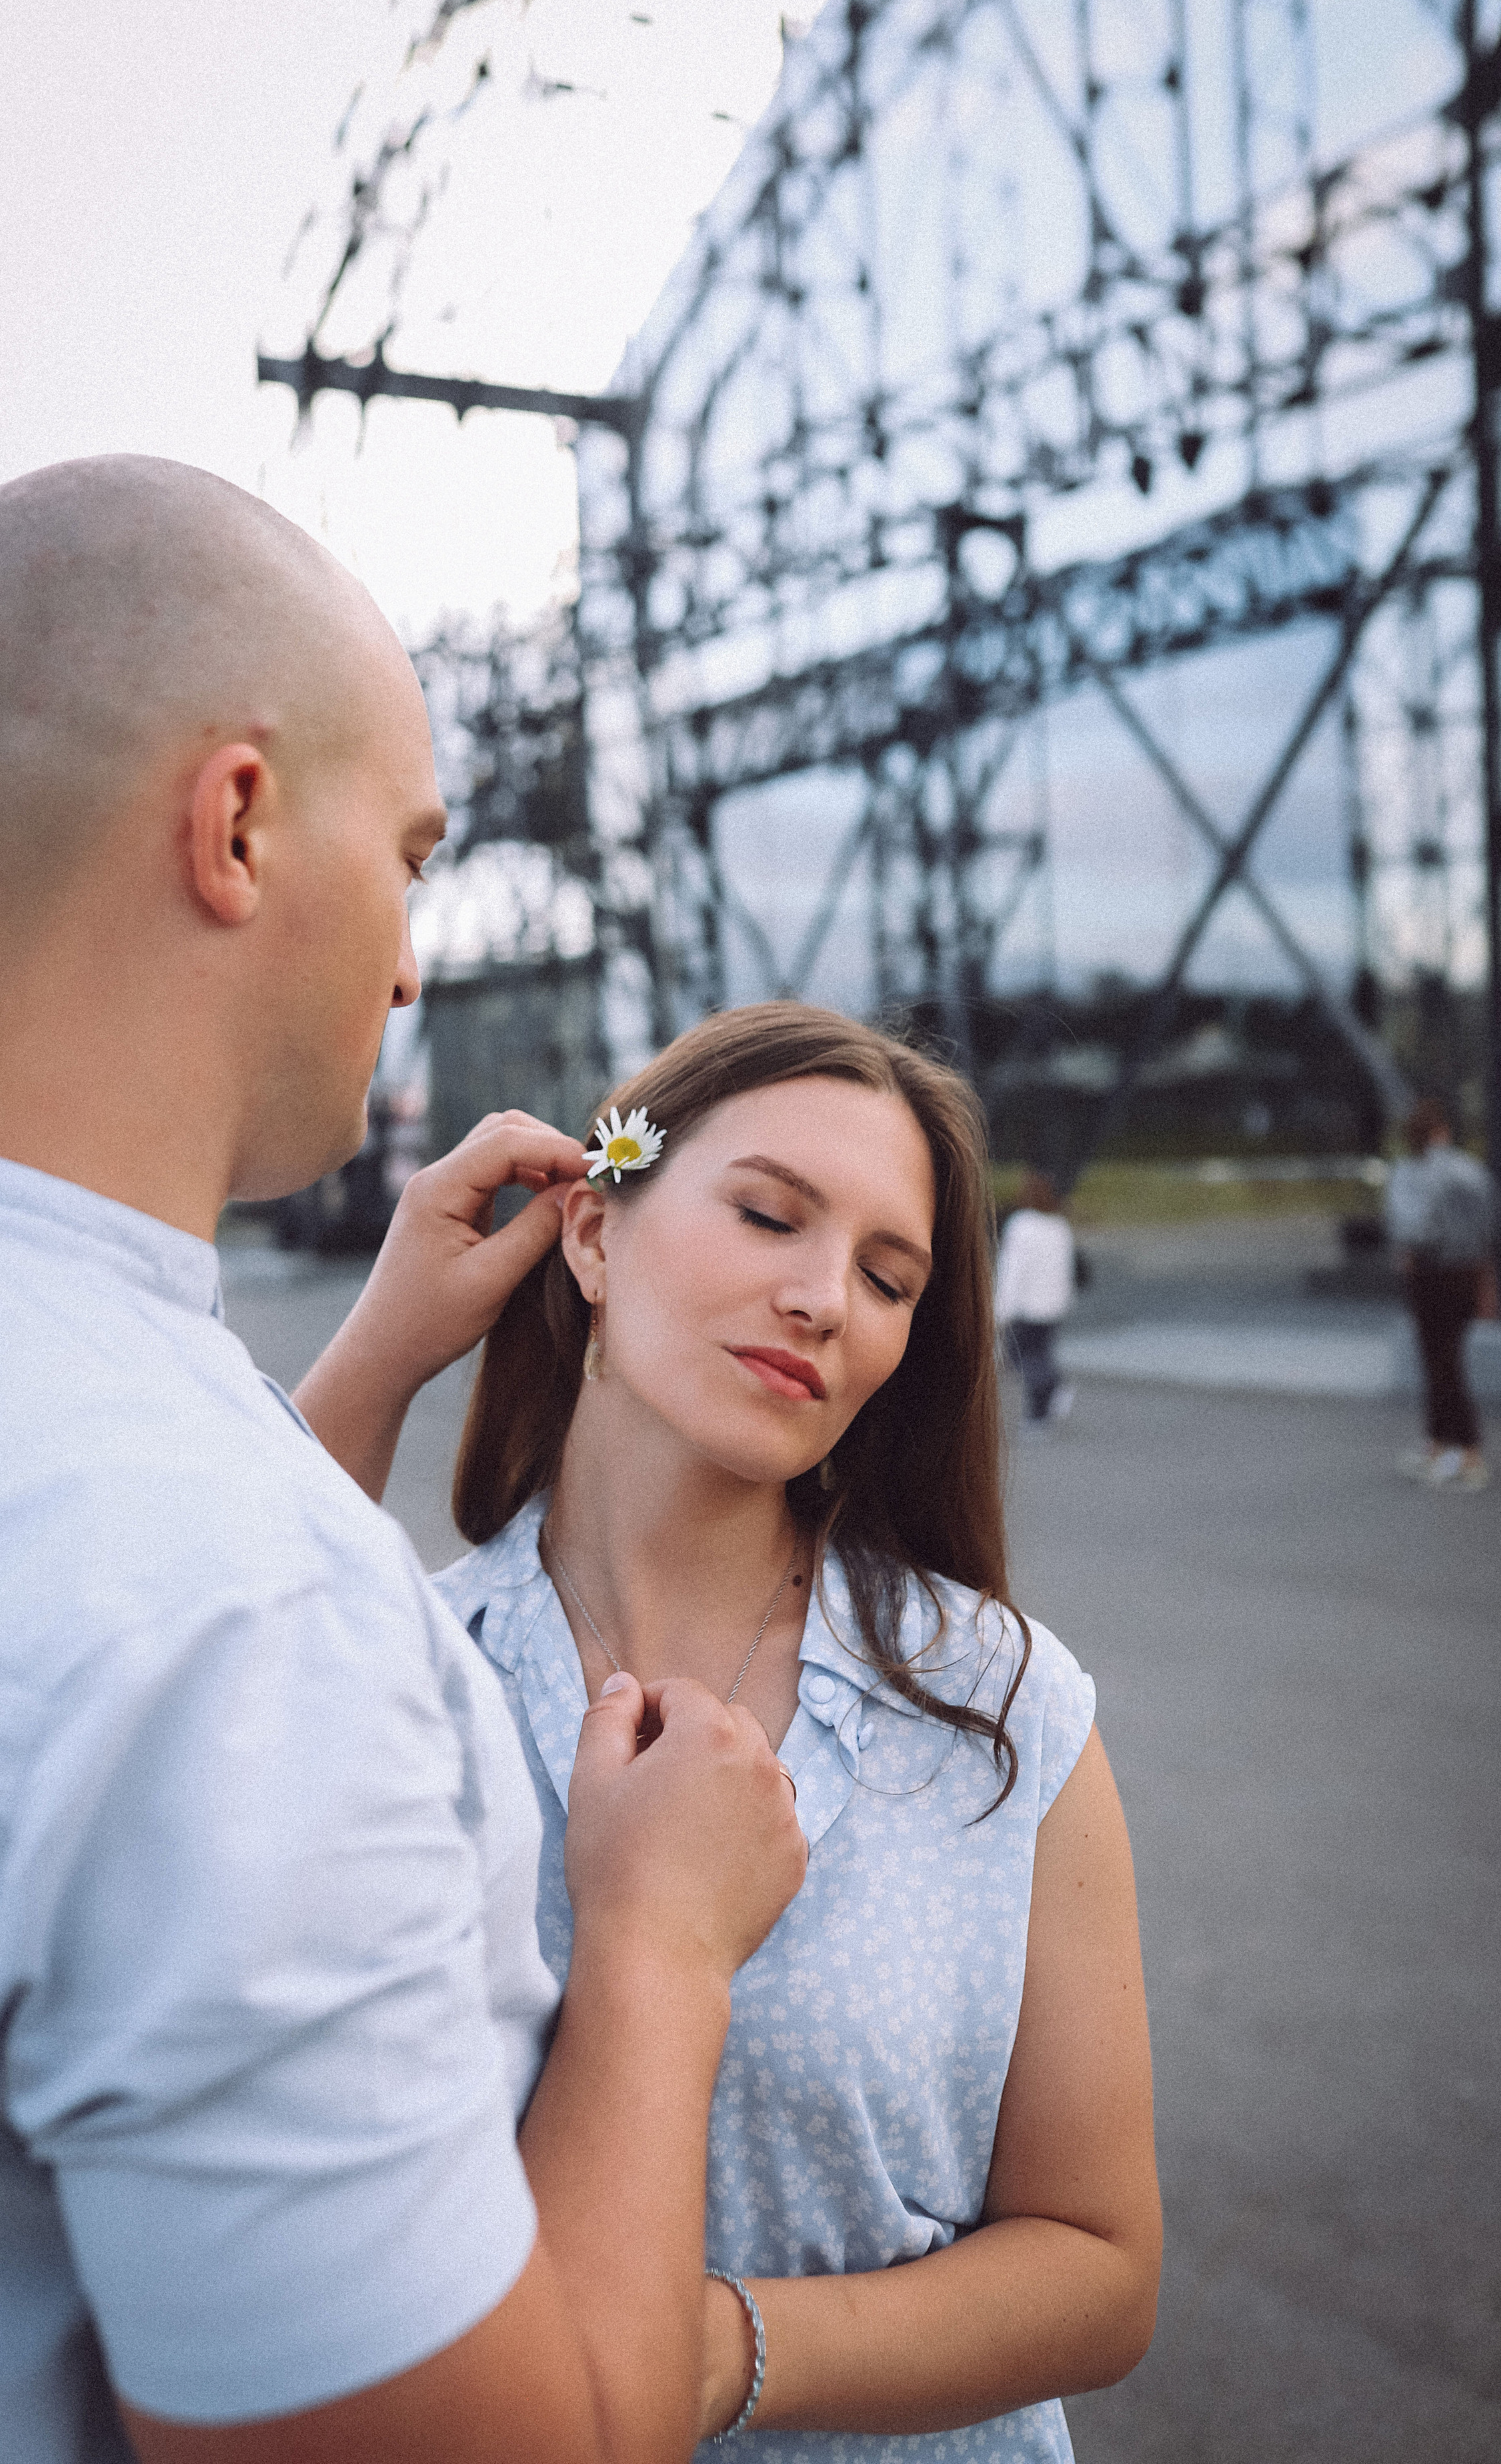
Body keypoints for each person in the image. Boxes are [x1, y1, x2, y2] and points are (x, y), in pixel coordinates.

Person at [0, 457, 807, 2464]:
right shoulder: (230, 1622)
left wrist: (354, 1381)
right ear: (238, 821)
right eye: (413, 852)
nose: (405, 969)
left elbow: (57, 1657)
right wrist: (655, 1946)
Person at [303, 1004, 1162, 2461]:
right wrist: (379, 1356)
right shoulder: (399, 1677)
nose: (825, 1297)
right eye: (768, 1214)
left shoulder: (1001, 1709)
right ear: (591, 1231)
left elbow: (1096, 2263)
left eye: (889, 1280)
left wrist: (716, 2349)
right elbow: (181, 1705)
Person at [1384, 1099, 1499, 1491]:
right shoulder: (1471, 1170)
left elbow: (1414, 1227)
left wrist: (1410, 1249)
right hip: (1467, 1271)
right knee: (1446, 1361)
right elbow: (1490, 1222)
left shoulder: (1413, 1173)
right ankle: (1442, 1444)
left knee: (1440, 1363)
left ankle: (1465, 1452)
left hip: (1432, 1273)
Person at [995, 1169, 1078, 1426]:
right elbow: (1067, 1268)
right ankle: (1047, 1401)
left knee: (1023, 1357)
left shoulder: (1022, 1226)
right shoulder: (1060, 1227)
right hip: (1052, 1305)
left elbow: (1012, 1271)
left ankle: (1044, 1404)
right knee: (1039, 1354)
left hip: (1027, 1306)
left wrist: (1000, 1308)